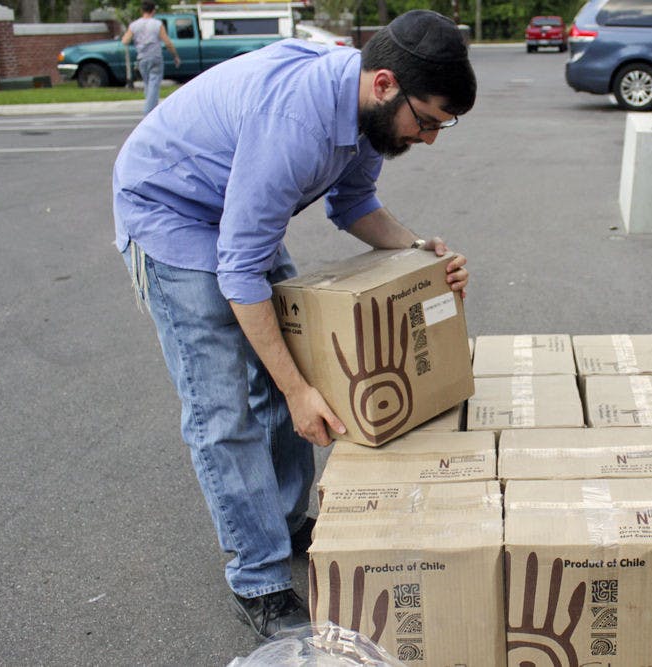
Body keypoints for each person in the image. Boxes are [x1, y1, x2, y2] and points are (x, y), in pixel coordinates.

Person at [112, 10, 474, 639]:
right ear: (386, 83)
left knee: (287, 375)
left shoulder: (363, 111)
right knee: (226, 407)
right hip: (170, 213)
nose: (430, 138)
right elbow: (241, 272)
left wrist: (422, 255)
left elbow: (354, 203)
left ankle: (280, 521)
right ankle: (259, 578)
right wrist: (295, 388)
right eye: (429, 121)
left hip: (237, 213)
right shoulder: (299, 124)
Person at [121, 1, 181, 115]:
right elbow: (167, 42)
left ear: (141, 11)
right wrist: (175, 56)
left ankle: (151, 109)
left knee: (148, 85)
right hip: (155, 57)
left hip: (142, 58)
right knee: (154, 85)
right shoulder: (157, 24)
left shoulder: (134, 25)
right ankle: (149, 113)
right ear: (153, 10)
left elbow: (125, 41)